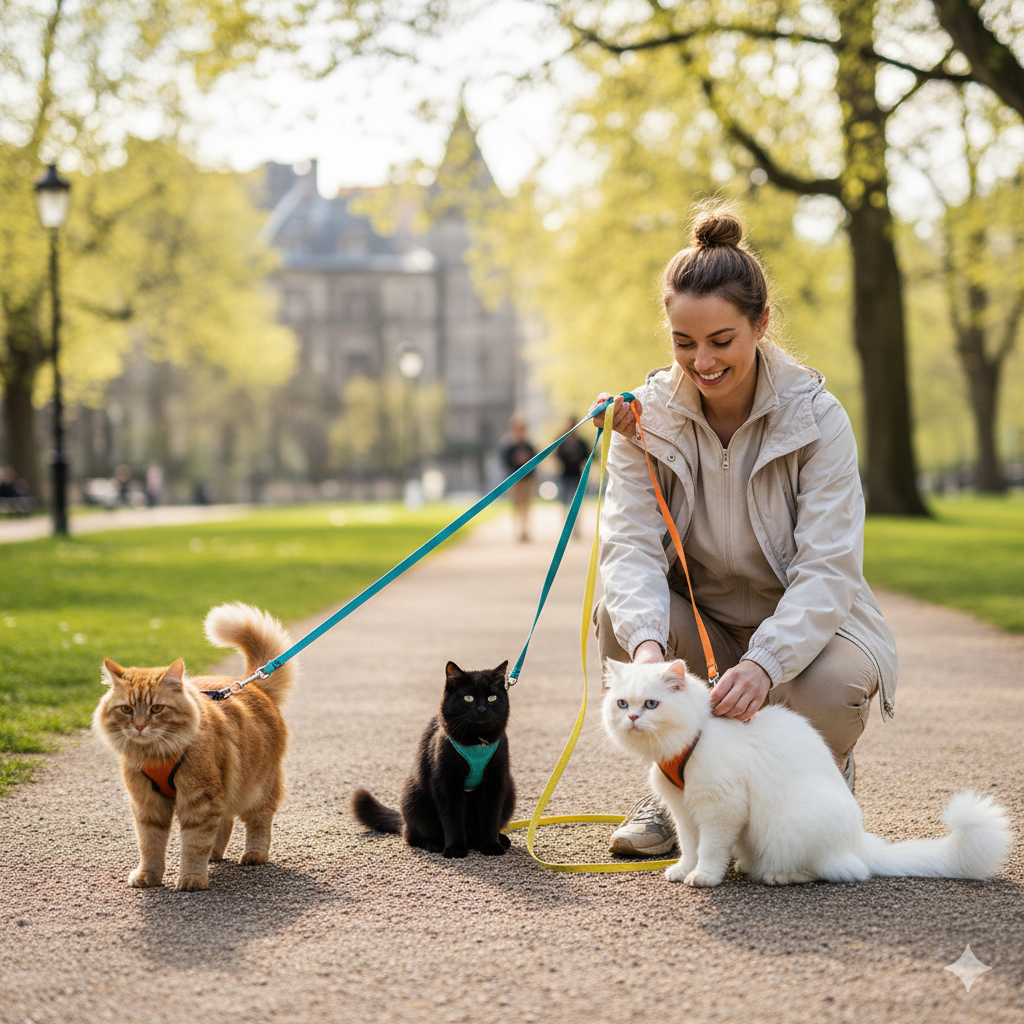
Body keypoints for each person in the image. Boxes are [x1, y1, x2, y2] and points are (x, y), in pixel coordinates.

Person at [591, 206, 898, 858]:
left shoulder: (819, 420)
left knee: (830, 691)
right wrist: (648, 657)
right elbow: (629, 547)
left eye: (721, 340)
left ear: (761, 324)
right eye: (683, 342)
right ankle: (674, 786)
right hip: (701, 627)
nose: (701, 361)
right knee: (620, 618)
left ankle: (820, 771)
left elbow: (829, 567)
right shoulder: (640, 420)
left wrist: (765, 663)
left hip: (808, 636)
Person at [502, 415, 537, 542]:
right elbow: (505, 462)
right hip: (514, 480)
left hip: (528, 480)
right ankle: (518, 531)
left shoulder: (529, 446)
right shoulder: (510, 446)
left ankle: (525, 530)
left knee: (527, 506)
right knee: (516, 506)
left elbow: (535, 462)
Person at [554, 415, 588, 537]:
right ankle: (567, 528)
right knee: (565, 503)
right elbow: (557, 454)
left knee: (576, 503)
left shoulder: (581, 442)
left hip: (577, 475)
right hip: (565, 474)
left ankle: (576, 527)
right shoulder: (563, 441)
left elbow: (589, 454)